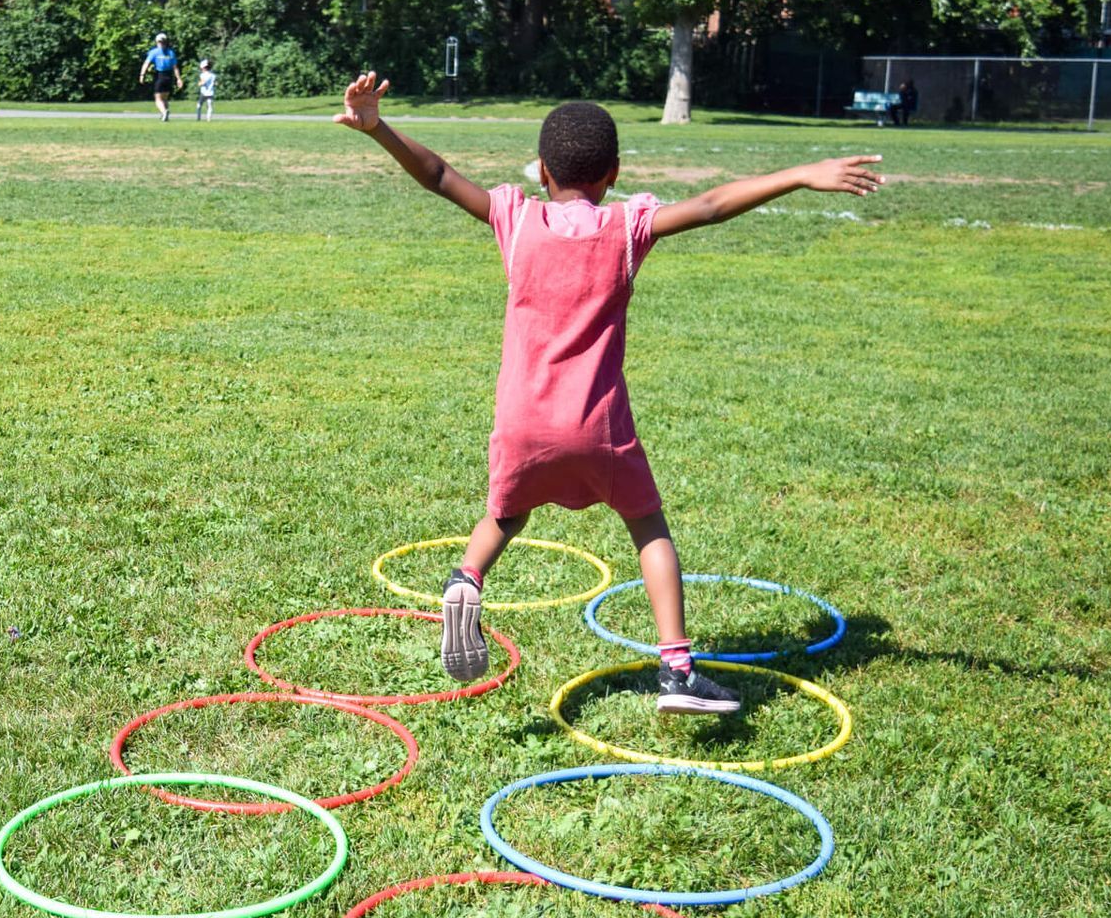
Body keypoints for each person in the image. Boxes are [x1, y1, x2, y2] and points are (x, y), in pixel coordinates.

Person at [335, 72, 883, 713]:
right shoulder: (627, 228)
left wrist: (378, 128)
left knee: (508, 512)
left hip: (521, 421)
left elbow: (437, 175)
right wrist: (796, 173)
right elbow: (709, 206)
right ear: (614, 172)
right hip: (596, 426)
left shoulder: (515, 217)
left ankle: (467, 577)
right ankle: (677, 670)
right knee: (647, 526)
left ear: (541, 171)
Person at [139, 33, 183, 121]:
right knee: (165, 98)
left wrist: (142, 75)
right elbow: (175, 67)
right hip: (169, 76)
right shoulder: (171, 52)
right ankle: (164, 115)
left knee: (158, 98)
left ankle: (164, 112)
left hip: (160, 76)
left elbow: (146, 64)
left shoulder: (154, 52)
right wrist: (178, 79)